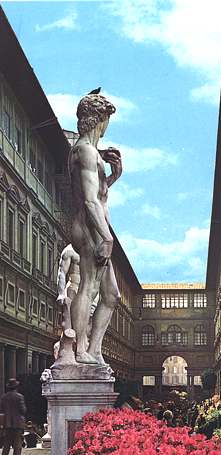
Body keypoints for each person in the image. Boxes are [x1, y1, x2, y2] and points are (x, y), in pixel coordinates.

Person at [68, 91, 122, 365]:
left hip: (95, 225)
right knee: (89, 286)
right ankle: (80, 350)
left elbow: (97, 193)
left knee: (111, 294)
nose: (107, 126)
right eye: (106, 120)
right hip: (90, 227)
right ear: (99, 119)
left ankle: (95, 350)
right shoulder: (86, 151)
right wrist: (106, 237)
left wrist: (114, 176)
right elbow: (89, 201)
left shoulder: (89, 153)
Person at [0, 378, 26, 455]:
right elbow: (23, 410)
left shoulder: (4, 397)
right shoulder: (19, 397)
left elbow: (2, 409)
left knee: (6, 443)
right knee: (17, 443)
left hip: (7, 423)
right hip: (17, 423)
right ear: (16, 387)